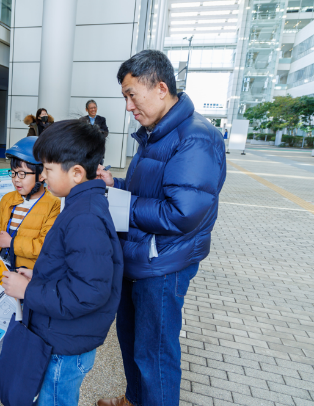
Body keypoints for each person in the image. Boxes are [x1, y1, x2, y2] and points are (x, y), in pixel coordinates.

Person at [95, 50, 226, 406]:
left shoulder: (196, 137)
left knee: (155, 355)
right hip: (140, 255)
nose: (128, 106)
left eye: (131, 94)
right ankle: (135, 400)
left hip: (163, 262)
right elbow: (147, 192)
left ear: (161, 88)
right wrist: (114, 185)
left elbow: (182, 213)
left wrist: (122, 204)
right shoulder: (157, 132)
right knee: (133, 342)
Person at [2, 120, 124, 406]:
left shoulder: (85, 218)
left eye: (47, 169)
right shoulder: (81, 205)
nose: (42, 177)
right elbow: (75, 268)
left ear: (77, 173)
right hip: (63, 334)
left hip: (65, 344)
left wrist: (28, 291)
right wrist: (39, 275)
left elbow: (88, 292)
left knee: (55, 399)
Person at [0, 136, 60, 396]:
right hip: (2, 274)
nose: (16, 179)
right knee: (0, 327)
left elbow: (47, 246)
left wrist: (14, 241)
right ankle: (0, 370)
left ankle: (28, 377)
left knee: (27, 331)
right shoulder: (8, 200)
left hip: (30, 279)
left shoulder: (53, 204)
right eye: (13, 172)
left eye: (22, 173)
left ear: (40, 174)